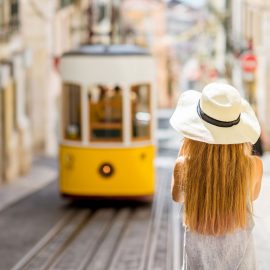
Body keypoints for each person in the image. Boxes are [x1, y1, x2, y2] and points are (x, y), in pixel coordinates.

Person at [170, 82, 263, 269]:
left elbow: (177, 196)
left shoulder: (184, 166)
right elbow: (251, 196)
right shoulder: (254, 166)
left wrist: (185, 150)